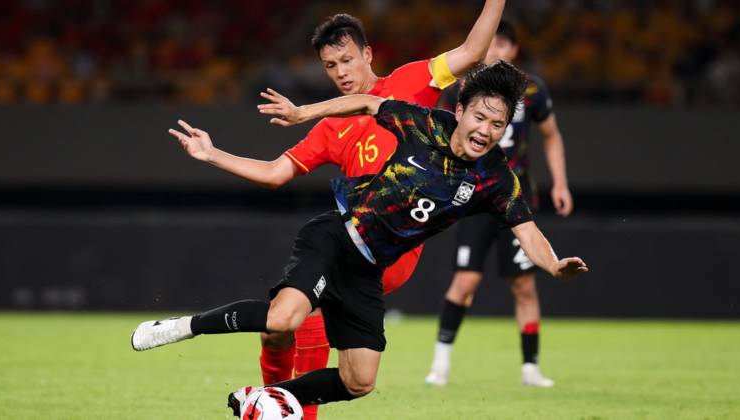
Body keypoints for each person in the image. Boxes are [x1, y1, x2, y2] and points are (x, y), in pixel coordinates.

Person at [132, 61, 587, 416]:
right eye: (481, 117)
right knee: (284, 319)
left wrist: (553, 264)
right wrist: (301, 114)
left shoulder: (496, 178)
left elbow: (528, 231)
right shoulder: (426, 124)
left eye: (498, 124)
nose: (486, 131)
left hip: (368, 270)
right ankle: (182, 327)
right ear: (462, 110)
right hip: (336, 238)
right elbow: (369, 104)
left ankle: (263, 399)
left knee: (359, 381)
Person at [173, 3, 506, 419]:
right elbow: (276, 173)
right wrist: (212, 155)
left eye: (347, 60)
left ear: (367, 54)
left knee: (304, 315)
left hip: (392, 251)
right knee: (278, 330)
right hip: (353, 239)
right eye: (330, 66)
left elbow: (473, 51)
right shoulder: (332, 125)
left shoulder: (411, 82)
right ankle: (270, 402)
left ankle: (273, 405)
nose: (341, 72)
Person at [425, 20, 573, 388]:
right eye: (491, 43)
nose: (496, 50)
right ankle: (440, 365)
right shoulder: (463, 89)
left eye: (504, 44)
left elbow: (551, 135)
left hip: (513, 198)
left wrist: (560, 182)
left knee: (524, 285)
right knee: (465, 281)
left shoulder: (532, 90)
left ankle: (530, 368)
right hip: (474, 198)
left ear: (514, 50)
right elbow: (442, 133)